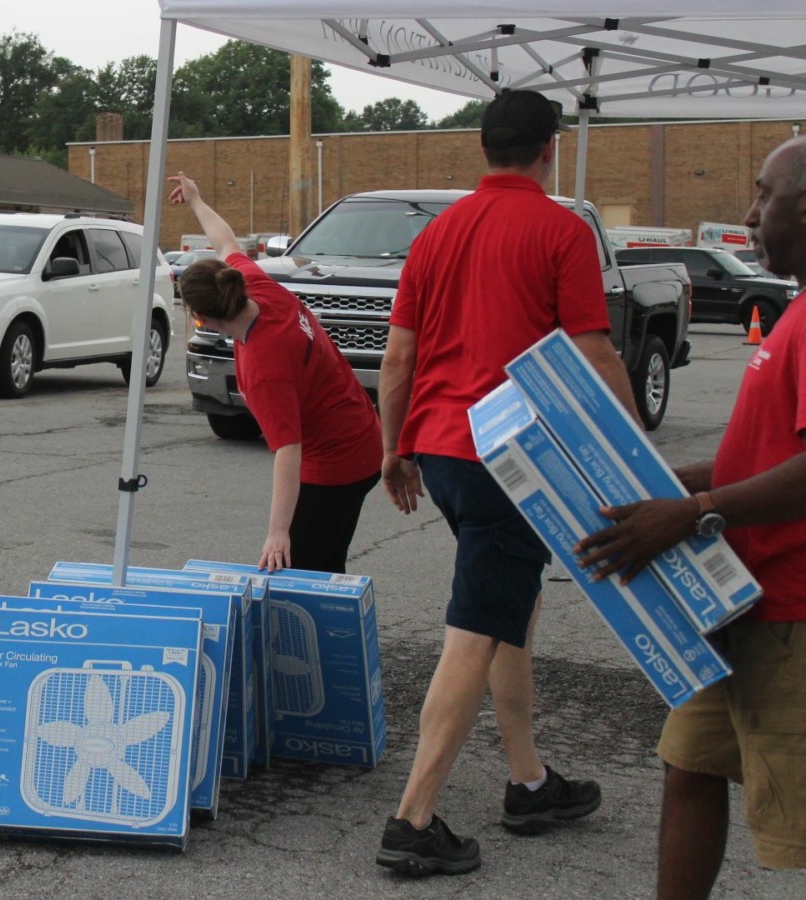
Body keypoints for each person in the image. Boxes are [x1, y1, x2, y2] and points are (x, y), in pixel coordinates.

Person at [373, 90, 643, 877]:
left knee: (508, 608)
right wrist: (636, 459)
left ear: (482, 147)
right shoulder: (561, 229)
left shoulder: (436, 233)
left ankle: (529, 782)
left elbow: (397, 358)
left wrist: (395, 449)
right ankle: (413, 818)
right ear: (550, 149)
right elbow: (595, 353)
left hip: (445, 454)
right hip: (515, 460)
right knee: (477, 622)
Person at [575, 135, 806, 897]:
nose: (749, 213)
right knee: (691, 763)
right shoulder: (796, 313)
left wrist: (694, 509)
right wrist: (675, 485)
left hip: (792, 617)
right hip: (738, 596)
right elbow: (770, 451)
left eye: (764, 196)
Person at [168, 171, 381, 573]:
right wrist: (196, 201)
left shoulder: (263, 366)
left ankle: (326, 632)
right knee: (323, 562)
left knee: (300, 572)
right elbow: (226, 241)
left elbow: (288, 449)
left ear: (201, 317)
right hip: (361, 436)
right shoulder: (256, 287)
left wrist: (278, 530)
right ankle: (332, 628)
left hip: (339, 462)